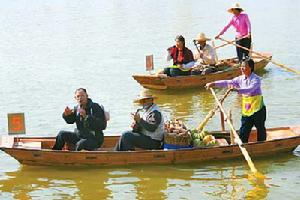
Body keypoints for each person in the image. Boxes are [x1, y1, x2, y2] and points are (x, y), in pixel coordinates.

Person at [205, 58, 266, 143]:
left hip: (258, 109)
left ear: (250, 68)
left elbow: (249, 89)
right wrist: (213, 83)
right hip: (247, 110)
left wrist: (237, 90)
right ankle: (242, 144)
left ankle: (262, 145)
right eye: (241, 66)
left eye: (244, 67)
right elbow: (227, 82)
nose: (241, 68)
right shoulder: (240, 79)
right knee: (244, 130)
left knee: (260, 128)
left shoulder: (256, 79)